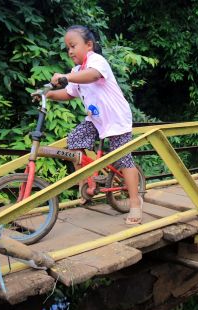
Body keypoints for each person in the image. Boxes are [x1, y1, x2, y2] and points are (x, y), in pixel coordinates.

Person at [46, 25, 142, 225]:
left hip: (116, 119)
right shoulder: (75, 71)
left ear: (89, 45)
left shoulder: (97, 61)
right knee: (74, 142)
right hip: (96, 120)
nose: (70, 51)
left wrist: (65, 77)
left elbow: (92, 75)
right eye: (67, 48)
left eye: (73, 46)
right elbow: (69, 93)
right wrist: (47, 95)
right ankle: (87, 183)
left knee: (123, 158)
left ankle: (134, 202)